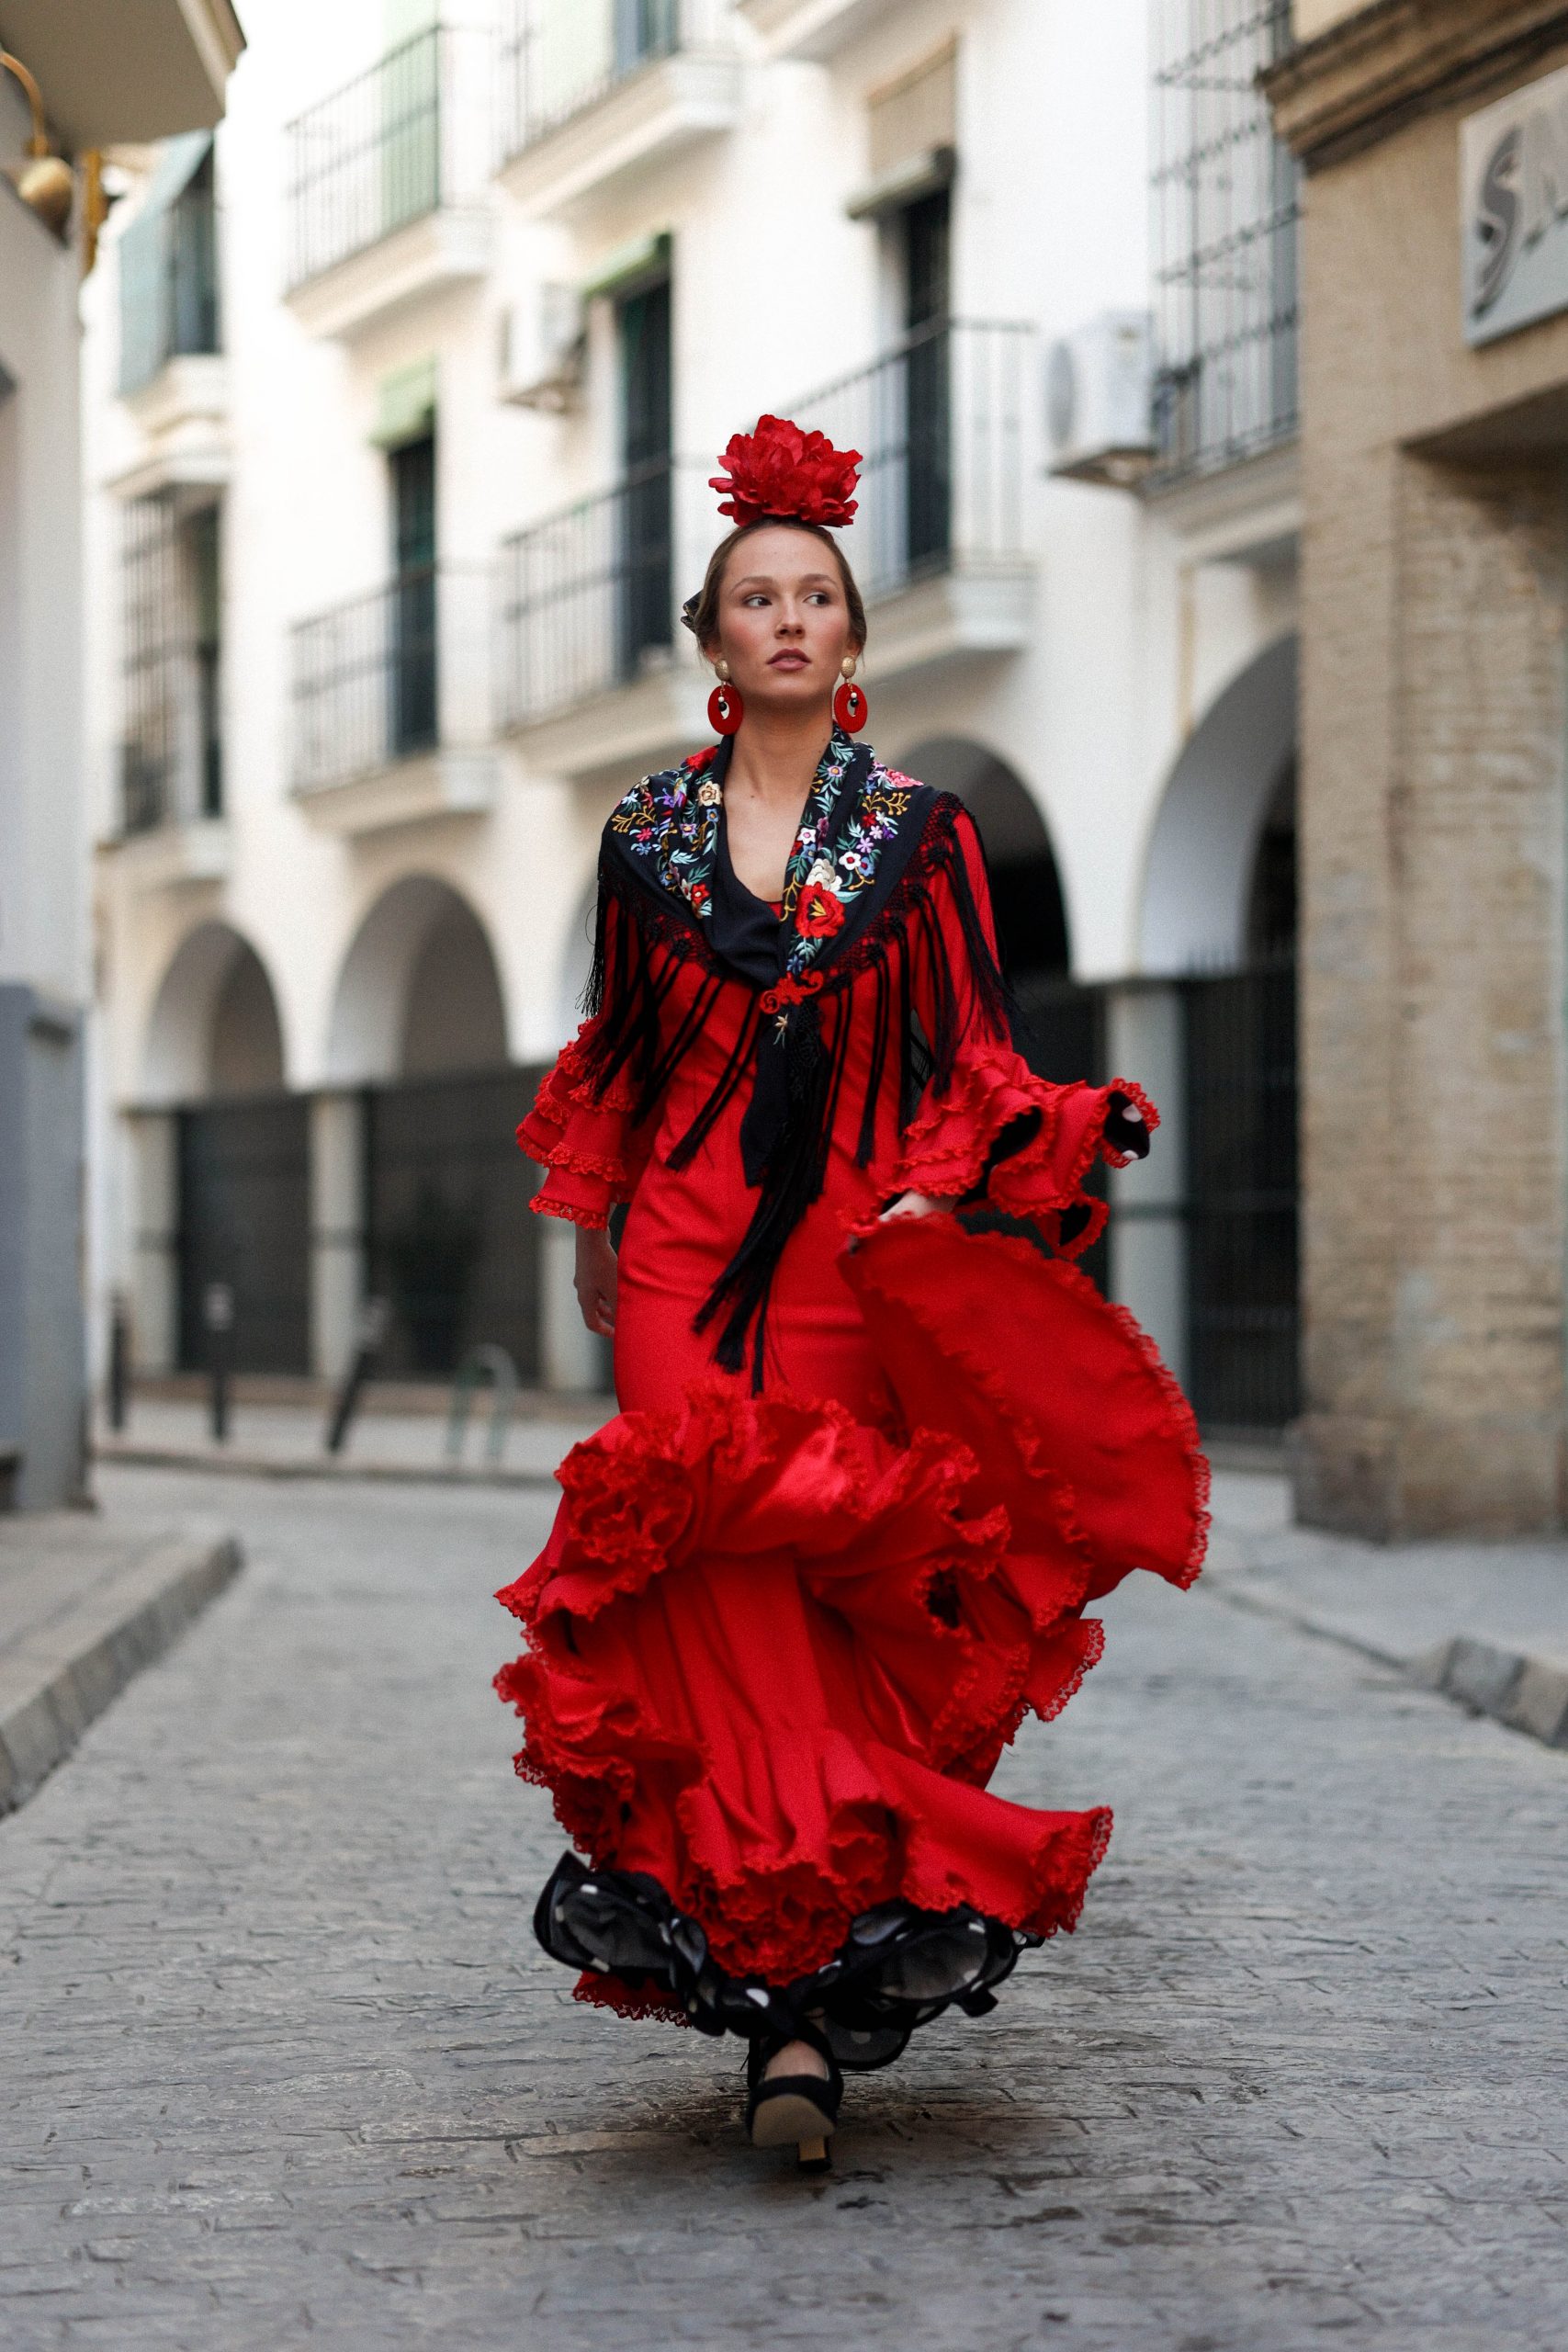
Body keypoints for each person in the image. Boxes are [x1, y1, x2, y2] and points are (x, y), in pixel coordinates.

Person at [496, 416, 1207, 2172]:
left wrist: (956, 1180)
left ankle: (800, 1987)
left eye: (817, 595)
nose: (791, 619)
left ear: (853, 639)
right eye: (758, 597)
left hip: (841, 1266)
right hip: (677, 1256)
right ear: (717, 639)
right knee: (703, 1602)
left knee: (827, 1611)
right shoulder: (642, 838)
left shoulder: (926, 837)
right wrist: (592, 1228)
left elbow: (969, 1056)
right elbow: (623, 1054)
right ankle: (782, 2018)